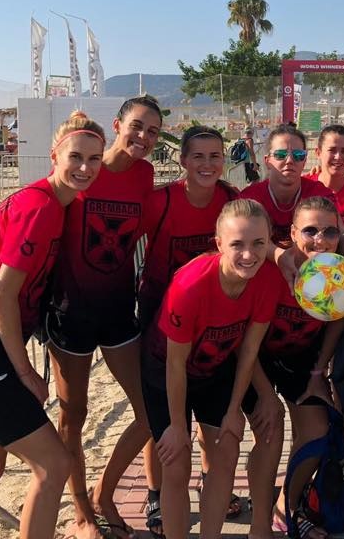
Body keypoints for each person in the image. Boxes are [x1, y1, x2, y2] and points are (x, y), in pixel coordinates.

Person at [0, 111, 106, 539]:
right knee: (54, 465)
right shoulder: (42, 207)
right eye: (76, 157)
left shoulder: (45, 202)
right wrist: (25, 371)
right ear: (54, 156)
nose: (85, 167)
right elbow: (1, 295)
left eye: (94, 158)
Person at [43, 96, 161, 539]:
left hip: (117, 309)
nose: (144, 138)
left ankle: (104, 492)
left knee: (151, 410)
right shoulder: (79, 175)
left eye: (153, 131)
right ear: (118, 124)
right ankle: (81, 513)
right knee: (74, 414)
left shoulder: (145, 175)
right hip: (71, 312)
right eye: (136, 127)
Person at [141, 199, 283, 539]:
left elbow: (248, 351)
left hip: (215, 369)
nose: (249, 255)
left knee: (227, 449)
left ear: (269, 241)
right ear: (219, 244)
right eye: (237, 244)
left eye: (258, 244)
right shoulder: (191, 286)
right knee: (175, 464)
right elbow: (175, 364)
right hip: (166, 372)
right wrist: (177, 427)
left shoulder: (267, 280)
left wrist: (234, 410)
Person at [136, 125, 239, 537]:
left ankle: (214, 486)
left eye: (215, 156)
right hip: (161, 319)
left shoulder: (230, 200)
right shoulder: (160, 201)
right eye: (198, 156)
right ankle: (157, 492)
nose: (207, 164)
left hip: (211, 321)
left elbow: (257, 241)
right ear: (182, 160)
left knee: (205, 413)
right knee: (158, 418)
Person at [241, 196, 344, 539]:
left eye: (329, 231)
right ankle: (260, 524)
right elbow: (248, 344)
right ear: (291, 232)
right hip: (257, 360)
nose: (319, 239)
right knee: (270, 434)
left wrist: (319, 373)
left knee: (317, 431)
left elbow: (336, 322)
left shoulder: (339, 272)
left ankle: (284, 507)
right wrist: (264, 395)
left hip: (300, 359)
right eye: (310, 230)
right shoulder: (272, 272)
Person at [239, 123, 335, 248]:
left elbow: (340, 233)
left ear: (305, 161)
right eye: (280, 155)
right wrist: (278, 256)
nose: (290, 161)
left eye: (298, 155)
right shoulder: (249, 198)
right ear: (267, 161)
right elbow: (240, 242)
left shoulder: (320, 194)